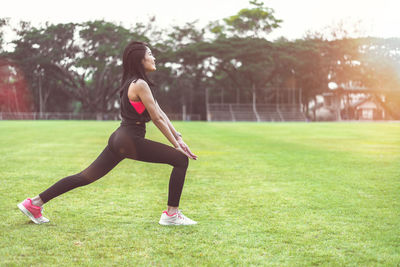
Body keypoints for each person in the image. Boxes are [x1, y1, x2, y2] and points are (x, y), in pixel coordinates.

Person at [17, 41, 198, 226]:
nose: (154, 57)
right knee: (180, 159)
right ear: (140, 60)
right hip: (129, 140)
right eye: (150, 54)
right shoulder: (140, 84)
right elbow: (157, 119)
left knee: (85, 176)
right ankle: (171, 215)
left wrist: (178, 138)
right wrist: (177, 147)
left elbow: (160, 113)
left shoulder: (136, 83)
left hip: (120, 138)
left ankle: (34, 203)